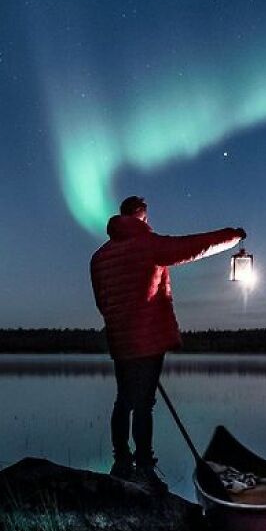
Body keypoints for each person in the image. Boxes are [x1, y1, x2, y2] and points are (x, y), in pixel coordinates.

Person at [90, 195, 246, 489]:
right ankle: (145, 467)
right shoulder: (149, 245)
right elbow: (192, 247)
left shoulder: (99, 257)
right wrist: (231, 237)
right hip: (148, 339)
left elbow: (103, 303)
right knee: (144, 404)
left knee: (124, 400)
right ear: (142, 217)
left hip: (120, 340)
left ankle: (122, 462)